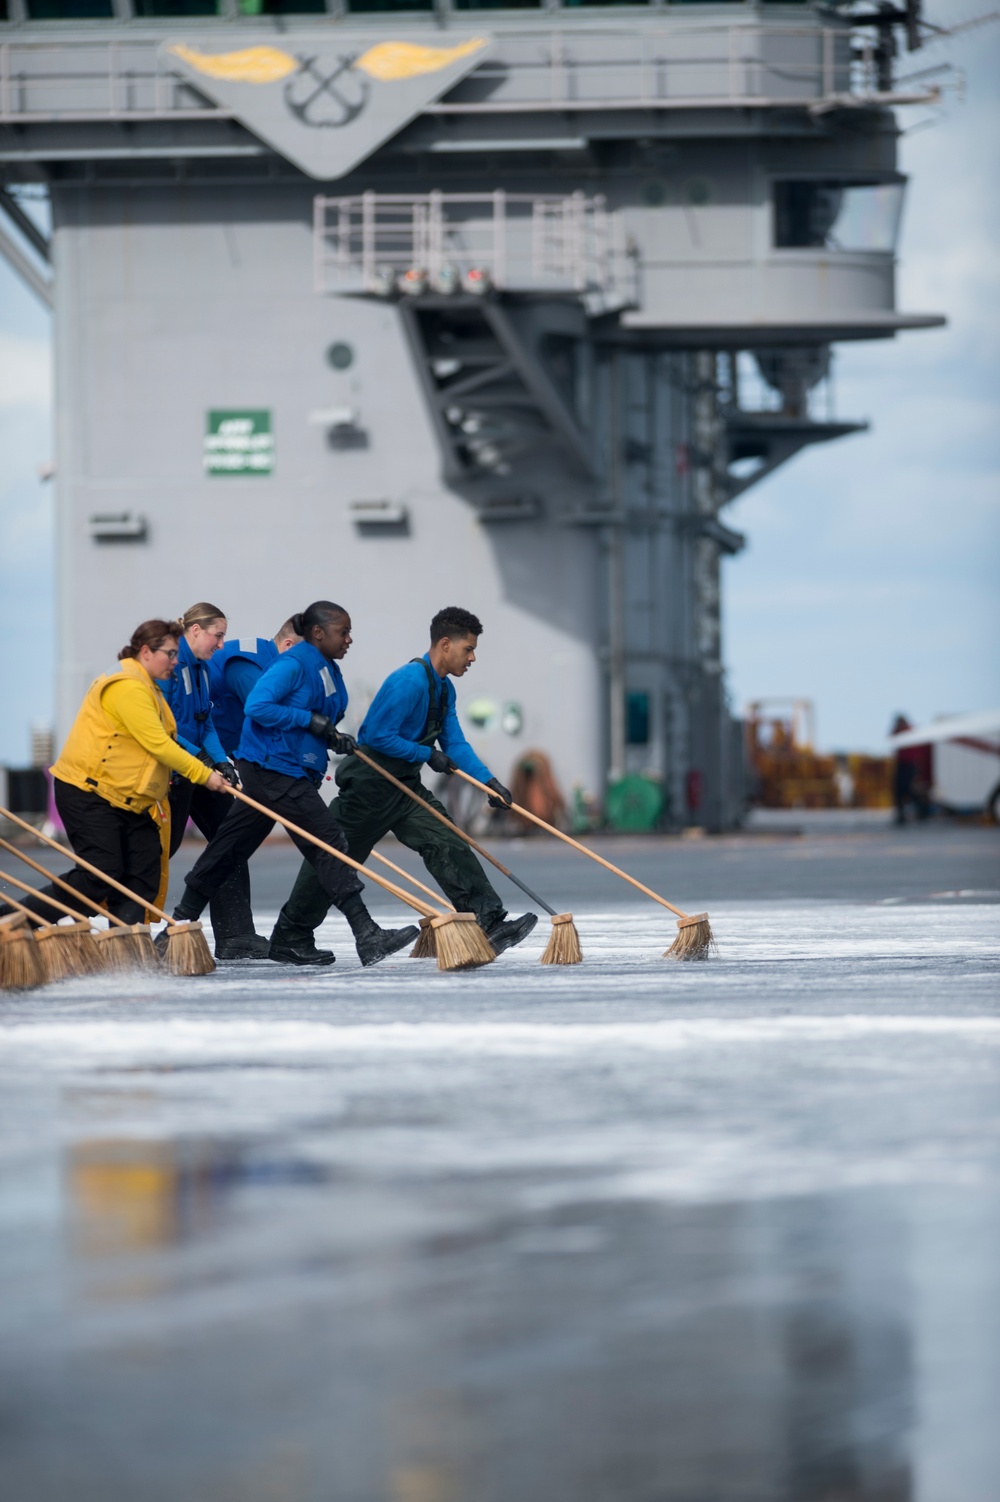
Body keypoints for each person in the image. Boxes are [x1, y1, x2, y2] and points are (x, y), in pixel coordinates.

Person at [270, 606, 537, 961]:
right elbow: (375, 736)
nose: (472, 657)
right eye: (468, 649)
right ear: (445, 644)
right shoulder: (408, 681)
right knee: (336, 858)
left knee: (446, 840)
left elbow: (455, 744)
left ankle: (488, 921)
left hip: (405, 787)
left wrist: (488, 782)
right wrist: (425, 754)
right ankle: (291, 933)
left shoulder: (444, 690)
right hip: (370, 786)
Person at [168, 600, 418, 968]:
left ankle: (177, 926)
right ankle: (365, 933)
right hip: (274, 769)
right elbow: (258, 707)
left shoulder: (327, 670)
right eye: (343, 632)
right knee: (328, 843)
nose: (350, 639)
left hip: (284, 769)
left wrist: (332, 737)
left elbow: (316, 718)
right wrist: (310, 721)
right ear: (318, 633)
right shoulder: (291, 663)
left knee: (227, 849)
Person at [1, 620, 228, 925]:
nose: (176, 662)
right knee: (100, 875)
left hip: (126, 797)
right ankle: (15, 921)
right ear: (146, 651)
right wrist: (205, 775)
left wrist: (216, 762)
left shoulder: (150, 687)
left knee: (144, 873)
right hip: (89, 792)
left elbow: (168, 739)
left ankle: (126, 949)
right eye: (171, 654)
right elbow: (159, 744)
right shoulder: (127, 686)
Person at [159, 601, 266, 961]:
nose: (221, 645)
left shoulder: (202, 669)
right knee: (162, 851)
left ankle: (236, 934)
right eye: (217, 636)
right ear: (195, 631)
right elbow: (166, 729)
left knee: (230, 836)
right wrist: (202, 759)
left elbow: (205, 723)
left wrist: (221, 760)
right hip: (175, 770)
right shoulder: (171, 667)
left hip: (200, 767)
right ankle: (131, 924)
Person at [208, 620, 302, 759]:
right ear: (288, 645)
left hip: (211, 749)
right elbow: (268, 714)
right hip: (187, 748)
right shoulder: (248, 665)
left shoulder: (269, 662)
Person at [890, 714, 932, 824]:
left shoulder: (909, 731)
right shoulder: (902, 731)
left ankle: (922, 811)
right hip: (903, 764)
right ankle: (903, 815)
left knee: (910, 790)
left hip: (910, 765)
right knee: (900, 791)